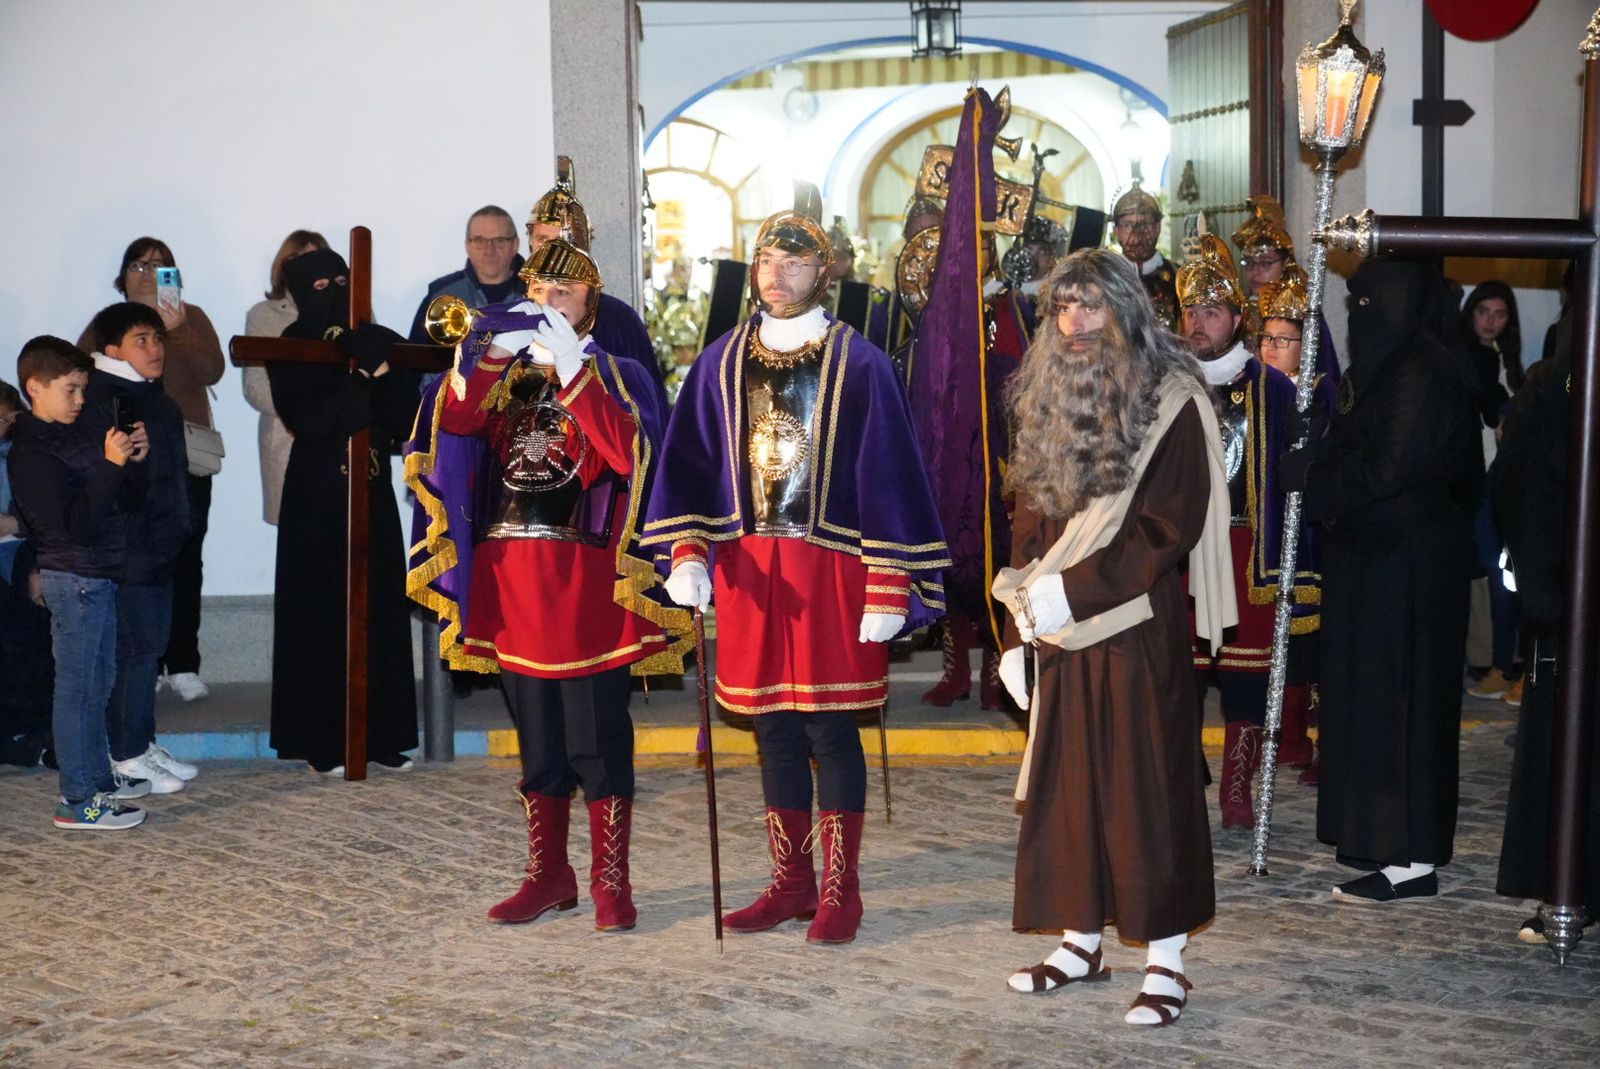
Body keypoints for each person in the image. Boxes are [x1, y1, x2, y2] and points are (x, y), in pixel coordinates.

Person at [643, 207, 948, 946]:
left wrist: (889, 583)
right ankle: (791, 881)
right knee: (773, 728)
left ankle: (842, 889)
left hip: (833, 570)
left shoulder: (863, 364)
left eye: (795, 263)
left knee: (830, 728)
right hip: (751, 571)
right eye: (766, 262)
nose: (777, 276)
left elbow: (890, 478)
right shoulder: (719, 363)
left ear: (823, 272)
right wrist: (688, 552)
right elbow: (691, 467)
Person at [411, 238, 690, 929]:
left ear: (591, 304)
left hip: (587, 584)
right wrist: (487, 361)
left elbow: (630, 453)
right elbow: (454, 425)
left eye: (563, 293)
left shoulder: (621, 372)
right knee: (538, 741)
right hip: (512, 582)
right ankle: (549, 875)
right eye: (537, 291)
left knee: (597, 739)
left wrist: (574, 373)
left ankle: (610, 881)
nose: (546, 302)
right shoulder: (505, 374)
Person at [994, 248, 1234, 1027]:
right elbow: (1028, 520)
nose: (1075, 322)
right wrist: (1016, 628)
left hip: (1136, 626)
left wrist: (1070, 592)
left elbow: (1165, 529)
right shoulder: (1047, 397)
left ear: (1126, 311)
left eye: (1091, 305)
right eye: (1063, 307)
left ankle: (1167, 961)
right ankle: (1079, 942)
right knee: (1068, 789)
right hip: (1057, 627)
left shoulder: (1173, 402)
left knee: (1145, 793)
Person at [1282, 258, 1482, 902]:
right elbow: (1360, 443)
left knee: (1404, 704)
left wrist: (1313, 478)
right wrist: (1317, 443)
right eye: (1355, 305)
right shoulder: (1387, 367)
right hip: (1373, 561)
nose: (1360, 318)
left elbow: (1389, 466)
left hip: (1411, 568)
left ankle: (1411, 857)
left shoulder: (1423, 370)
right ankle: (1377, 839)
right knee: (1369, 703)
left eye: (1370, 305)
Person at [1178, 235, 1328, 827]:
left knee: (1245, 677)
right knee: (1180, 675)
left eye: (1212, 311)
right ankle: (1181, 773)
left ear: (1238, 318)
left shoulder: (1274, 389)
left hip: (1248, 550)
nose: (1199, 321)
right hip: (1180, 546)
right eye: (1191, 310)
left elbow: (1300, 480)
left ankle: (1238, 786)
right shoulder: (1163, 384)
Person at [267, 248, 419, 775]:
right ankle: (324, 739)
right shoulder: (291, 346)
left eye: (341, 281)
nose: (333, 292)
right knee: (322, 613)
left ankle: (383, 735)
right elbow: (310, 419)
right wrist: (361, 377)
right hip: (317, 497)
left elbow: (402, 419)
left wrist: (386, 369)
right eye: (319, 286)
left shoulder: (375, 336)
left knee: (380, 609)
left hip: (372, 491)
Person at [8, 336, 149, 828]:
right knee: (77, 689)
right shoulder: (31, 452)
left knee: (98, 684)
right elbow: (75, 526)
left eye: (83, 389)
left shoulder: (70, 437)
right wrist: (109, 465)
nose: (80, 400)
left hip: (98, 574)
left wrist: (131, 460)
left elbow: (121, 502)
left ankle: (97, 780)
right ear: (35, 387)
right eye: (70, 389)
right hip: (74, 579)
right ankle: (77, 800)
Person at [1492, 318, 1600, 942]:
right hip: (1562, 596)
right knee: (1561, 750)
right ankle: (1564, 885)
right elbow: (1518, 481)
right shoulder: (1550, 386)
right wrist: (1540, 579)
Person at [79, 237, 224, 704]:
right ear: (123, 275)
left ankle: (182, 662)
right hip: (126, 455)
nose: (148, 272)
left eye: (160, 266)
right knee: (134, 558)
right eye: (139, 265)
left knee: (187, 557)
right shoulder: (108, 322)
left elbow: (213, 370)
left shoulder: (190, 317)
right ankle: (144, 661)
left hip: (185, 454)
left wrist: (177, 329)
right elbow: (81, 375)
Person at [80, 303, 199, 794]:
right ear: (112, 350)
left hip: (160, 544)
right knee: (134, 651)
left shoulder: (157, 400)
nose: (155, 349)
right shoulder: (107, 400)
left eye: (157, 338)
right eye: (141, 341)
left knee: (150, 650)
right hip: (129, 549)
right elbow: (113, 485)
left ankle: (142, 741)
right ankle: (126, 754)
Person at [524, 166, 666, 402]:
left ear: (584, 244)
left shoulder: (620, 320)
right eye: (543, 240)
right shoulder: (514, 316)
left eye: (562, 240)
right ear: (530, 242)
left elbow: (647, 411)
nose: (553, 251)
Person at [1460, 281, 1525, 706]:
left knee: (1503, 574)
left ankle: (1506, 665)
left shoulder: (1507, 359)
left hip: (1504, 479)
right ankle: (1502, 665)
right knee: (1496, 573)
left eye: (1499, 314)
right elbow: (1490, 408)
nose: (1490, 321)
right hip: (1479, 480)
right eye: (1483, 311)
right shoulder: (1471, 356)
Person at [243, 229, 330, 525]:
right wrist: (305, 413)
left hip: (340, 442)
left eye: (313, 259)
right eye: (296, 259)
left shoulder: (353, 309)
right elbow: (255, 387)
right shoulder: (263, 315)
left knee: (343, 535)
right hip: (286, 439)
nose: (306, 267)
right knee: (297, 538)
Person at [0, 379, 55, 768]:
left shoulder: (21, 454)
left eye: (9, 419)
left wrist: (14, 524)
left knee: (30, 637)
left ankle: (32, 733)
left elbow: (40, 514)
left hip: (18, 552)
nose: (5, 426)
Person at [1231, 195, 1341, 383]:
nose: (1255, 272)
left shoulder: (1302, 312)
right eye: (1249, 263)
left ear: (1285, 263)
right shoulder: (1242, 310)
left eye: (1265, 263)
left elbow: (1322, 374)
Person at [407, 207, 526, 351]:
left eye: (499, 241)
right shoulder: (441, 296)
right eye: (480, 241)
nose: (489, 250)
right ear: (467, 246)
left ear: (515, 245)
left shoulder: (538, 293)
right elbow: (415, 357)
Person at [1109, 180, 1179, 332]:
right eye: (1128, 225)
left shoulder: (1179, 276)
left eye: (1145, 224)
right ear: (1117, 232)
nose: (1137, 233)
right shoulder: (1106, 278)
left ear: (1158, 228)